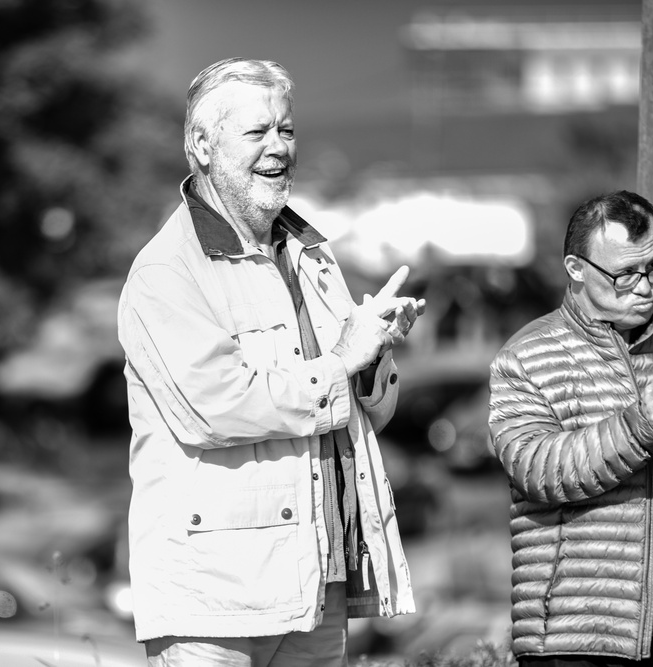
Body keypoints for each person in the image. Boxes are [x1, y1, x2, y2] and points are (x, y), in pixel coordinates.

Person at [117, 57, 425, 666]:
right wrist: (341, 361)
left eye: (285, 130)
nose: (277, 148)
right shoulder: (165, 272)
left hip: (318, 583)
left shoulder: (313, 256)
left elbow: (363, 414)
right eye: (256, 133)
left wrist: (371, 355)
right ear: (201, 146)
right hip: (213, 602)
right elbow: (217, 407)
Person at [488, 190, 653, 667]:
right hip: (574, 631)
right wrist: (641, 426)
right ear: (576, 269)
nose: (645, 286)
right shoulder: (524, 355)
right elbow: (537, 471)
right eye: (625, 274)